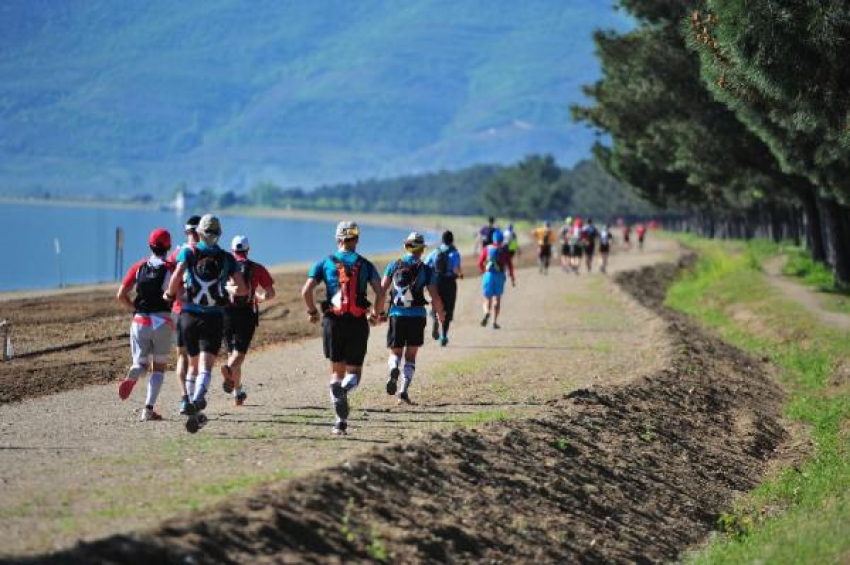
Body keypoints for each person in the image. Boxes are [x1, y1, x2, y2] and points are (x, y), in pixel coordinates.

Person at [164, 214, 247, 433]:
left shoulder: (189, 252)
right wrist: (232, 294)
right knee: (206, 366)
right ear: (219, 234)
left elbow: (177, 276)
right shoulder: (227, 258)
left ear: (199, 232)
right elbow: (242, 288)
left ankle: (190, 401)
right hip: (214, 316)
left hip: (189, 315)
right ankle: (199, 398)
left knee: (191, 364)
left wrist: (170, 295)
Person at [301, 221, 385, 436]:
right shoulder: (365, 264)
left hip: (333, 322)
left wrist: (312, 312)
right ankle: (344, 393)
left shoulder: (324, 263)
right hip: (357, 322)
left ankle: (339, 421)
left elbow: (306, 291)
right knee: (354, 371)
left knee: (336, 371)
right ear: (356, 240)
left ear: (337, 239)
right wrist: (376, 313)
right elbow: (380, 291)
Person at [116, 228, 175, 422]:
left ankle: (136, 370)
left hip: (140, 321)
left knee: (141, 363)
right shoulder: (171, 268)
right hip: (162, 322)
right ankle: (148, 410)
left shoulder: (139, 266)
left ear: (150, 245)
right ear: (169, 246)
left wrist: (135, 309)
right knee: (158, 368)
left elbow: (121, 295)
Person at [382, 232, 445, 405]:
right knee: (411, 356)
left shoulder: (393, 265)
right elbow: (435, 297)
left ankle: (394, 368)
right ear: (422, 250)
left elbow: (382, 290)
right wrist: (440, 315)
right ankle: (403, 391)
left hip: (397, 314)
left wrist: (377, 312)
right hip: (417, 316)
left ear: (406, 247)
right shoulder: (427, 270)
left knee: (395, 352)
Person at [221, 235, 276, 406]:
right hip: (246, 314)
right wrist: (260, 297)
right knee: (238, 354)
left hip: (226, 314)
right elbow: (270, 293)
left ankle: (238, 393)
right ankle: (228, 369)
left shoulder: (224, 267)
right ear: (248, 250)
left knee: (232, 352)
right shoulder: (256, 268)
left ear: (232, 250)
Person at [167, 215, 201, 415]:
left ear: (186, 232)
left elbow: (170, 278)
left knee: (182, 356)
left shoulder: (177, 253)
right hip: (202, 313)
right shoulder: (209, 253)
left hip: (180, 312)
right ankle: (194, 396)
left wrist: (170, 296)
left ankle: (184, 398)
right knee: (197, 358)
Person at [424, 230, 463, 347]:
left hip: (437, 282)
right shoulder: (455, 253)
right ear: (452, 240)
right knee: (448, 309)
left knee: (437, 303)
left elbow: (426, 264)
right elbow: (456, 270)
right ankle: (443, 336)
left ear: (442, 240)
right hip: (450, 283)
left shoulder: (435, 251)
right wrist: (460, 274)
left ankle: (435, 316)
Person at [478, 229, 515, 329]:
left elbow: (480, 262)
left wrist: (482, 271)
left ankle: (486, 312)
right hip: (500, 276)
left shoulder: (487, 249)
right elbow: (510, 265)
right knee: (497, 300)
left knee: (487, 299)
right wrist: (512, 277)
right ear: (502, 239)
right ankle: (494, 322)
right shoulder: (504, 250)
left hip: (488, 275)